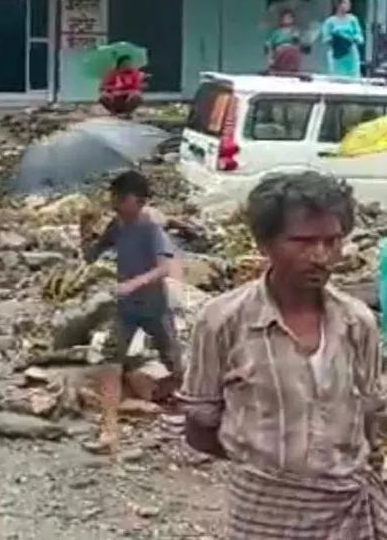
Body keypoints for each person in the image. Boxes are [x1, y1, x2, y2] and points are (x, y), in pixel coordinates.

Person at [178, 171, 386, 538]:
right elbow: (199, 427)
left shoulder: (358, 323)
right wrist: (270, 468)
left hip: (347, 509)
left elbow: (369, 418)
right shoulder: (223, 321)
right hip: (263, 510)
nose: (321, 256)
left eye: (332, 241)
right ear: (264, 244)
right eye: (303, 242)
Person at [82, 170, 182, 451]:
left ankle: (185, 423)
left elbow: (164, 268)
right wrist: (85, 234)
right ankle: (109, 432)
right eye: (112, 198)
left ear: (135, 200)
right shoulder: (117, 226)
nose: (113, 204)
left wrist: (133, 284)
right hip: (126, 310)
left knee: (175, 363)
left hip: (155, 307)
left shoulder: (151, 229)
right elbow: (91, 256)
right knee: (110, 361)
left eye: (118, 198)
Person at [323, 0, 364, 78]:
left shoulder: (353, 19)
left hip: (351, 51)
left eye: (349, 3)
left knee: (352, 75)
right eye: (346, 3)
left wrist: (351, 39)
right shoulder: (330, 21)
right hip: (336, 53)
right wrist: (337, 38)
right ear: (338, 5)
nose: (349, 5)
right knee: (337, 76)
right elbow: (326, 39)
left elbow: (359, 36)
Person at [265, 8, 308, 73]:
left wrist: (296, 39)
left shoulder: (295, 31)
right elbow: (269, 44)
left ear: (293, 19)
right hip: (281, 50)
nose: (287, 19)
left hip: (293, 50)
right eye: (285, 18)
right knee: (283, 51)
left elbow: (300, 42)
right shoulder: (277, 32)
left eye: (289, 18)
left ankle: (293, 69)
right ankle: (277, 67)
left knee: (294, 50)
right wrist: (269, 57)